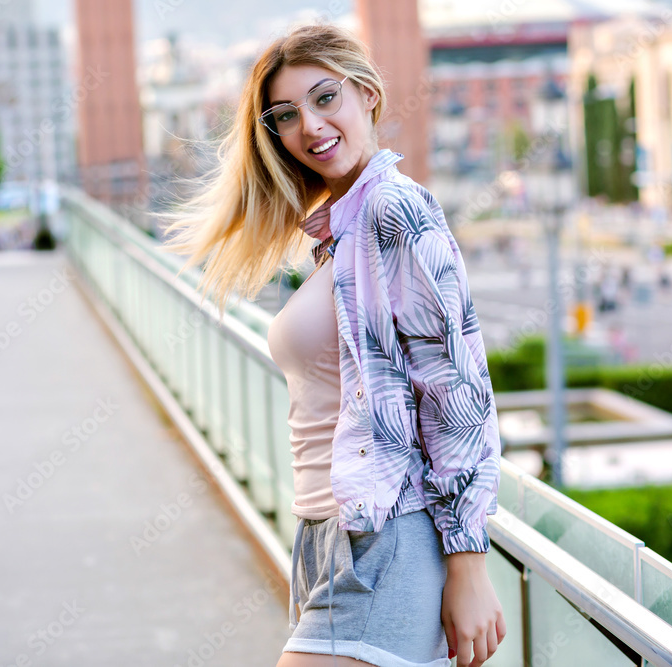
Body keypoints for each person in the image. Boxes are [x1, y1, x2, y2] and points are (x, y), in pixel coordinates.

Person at [160, 23, 505, 667]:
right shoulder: (336, 236)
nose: (310, 126)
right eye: (286, 115)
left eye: (325, 98)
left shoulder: (396, 210)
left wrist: (469, 564)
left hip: (384, 542)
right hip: (326, 537)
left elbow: (456, 389)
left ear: (368, 94)